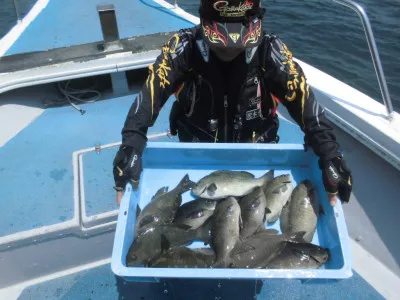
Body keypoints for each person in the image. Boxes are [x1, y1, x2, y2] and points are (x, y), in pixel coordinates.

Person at [113, 0, 352, 206]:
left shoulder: (270, 50)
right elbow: (150, 93)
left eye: (239, 43)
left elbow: (305, 103)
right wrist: (131, 144)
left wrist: (330, 154)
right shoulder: (183, 48)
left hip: (256, 161)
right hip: (197, 160)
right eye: (221, 43)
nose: (230, 48)